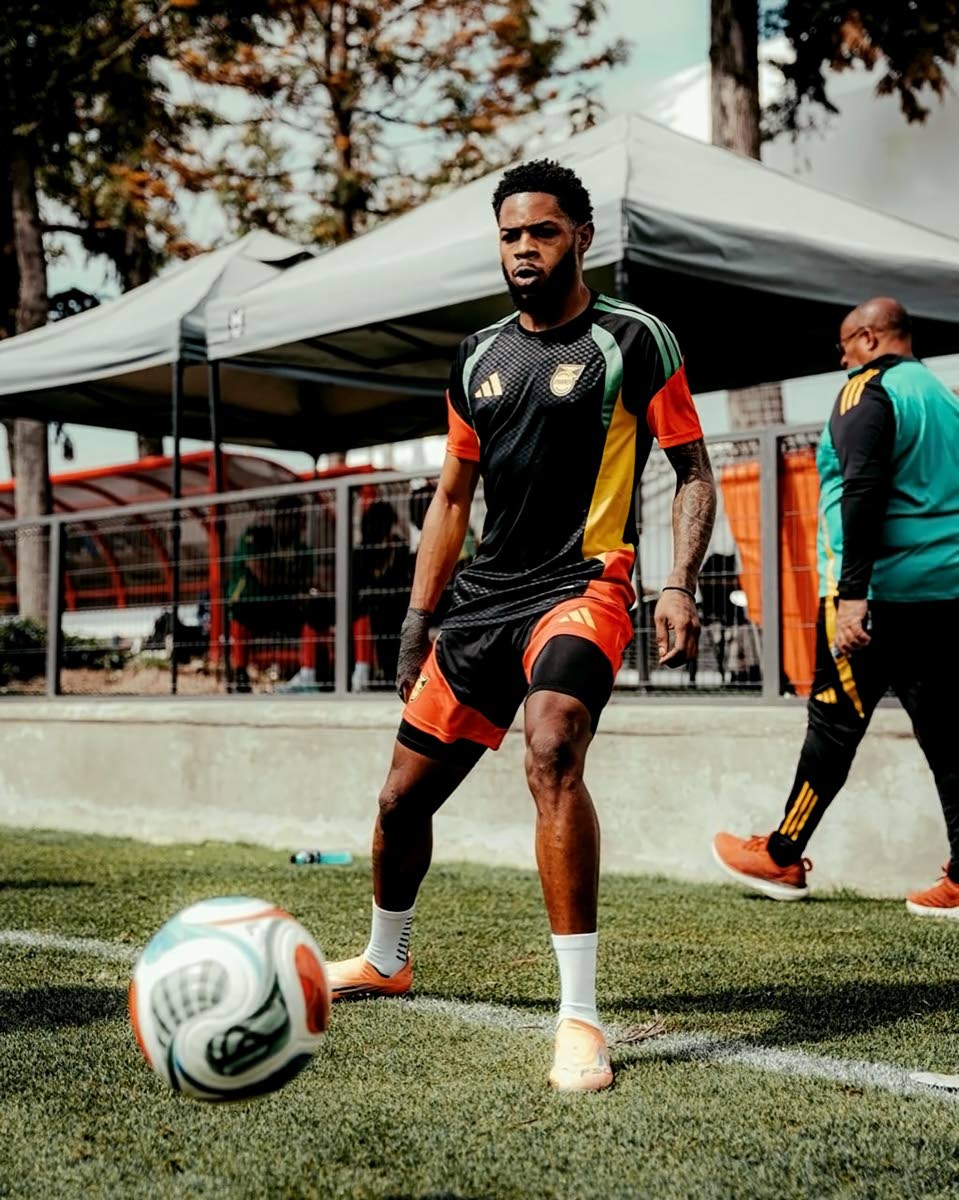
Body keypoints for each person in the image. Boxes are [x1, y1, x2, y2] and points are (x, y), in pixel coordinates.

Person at [327, 158, 716, 1091]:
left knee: (552, 751)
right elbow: (453, 496)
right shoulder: (476, 356)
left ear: (580, 235)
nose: (524, 250)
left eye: (542, 232)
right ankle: (387, 957)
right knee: (398, 803)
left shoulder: (635, 338)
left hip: (585, 584)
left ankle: (577, 1020)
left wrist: (678, 581)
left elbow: (693, 469)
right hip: (481, 604)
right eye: (510, 235)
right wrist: (421, 616)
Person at [713, 298, 959, 913]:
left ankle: (781, 853)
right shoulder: (942, 395)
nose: (842, 358)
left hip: (875, 598)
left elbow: (863, 490)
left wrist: (852, 598)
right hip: (943, 594)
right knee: (948, 736)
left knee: (833, 725)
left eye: (846, 346)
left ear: (870, 338)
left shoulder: (865, 391)